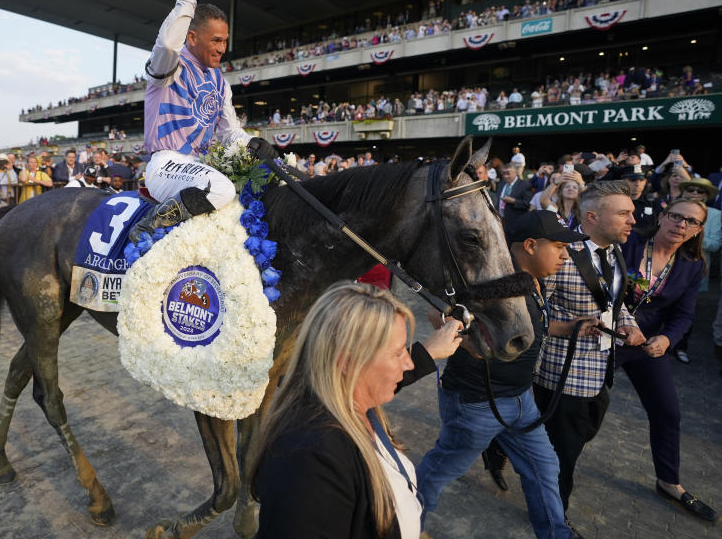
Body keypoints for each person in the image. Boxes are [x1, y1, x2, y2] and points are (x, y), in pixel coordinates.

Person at [417, 211, 589, 539]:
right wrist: (466, 340)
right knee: (440, 470)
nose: (565, 255)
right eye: (558, 246)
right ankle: (399, 523)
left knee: (544, 468)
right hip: (476, 403)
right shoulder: (485, 278)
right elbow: (436, 312)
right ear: (529, 245)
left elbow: (530, 327)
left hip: (522, 399)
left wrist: (572, 328)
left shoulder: (534, 281)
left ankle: (556, 534)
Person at [252, 281, 463, 539]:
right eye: (398, 353)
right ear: (348, 361)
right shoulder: (309, 461)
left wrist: (428, 352)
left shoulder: (350, 404)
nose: (408, 363)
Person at [133, 0, 276, 243]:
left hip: (198, 168)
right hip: (165, 165)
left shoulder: (220, 81)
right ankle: (147, 226)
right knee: (222, 189)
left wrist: (253, 143)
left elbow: (228, 132)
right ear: (193, 37)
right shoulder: (169, 64)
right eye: (216, 40)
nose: (222, 48)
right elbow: (168, 45)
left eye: (225, 40)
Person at [533, 181, 646, 535]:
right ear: (593, 217)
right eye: (624, 213)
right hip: (561, 372)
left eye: (631, 212)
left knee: (582, 436)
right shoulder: (560, 251)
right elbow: (532, 313)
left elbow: (614, 303)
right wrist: (570, 326)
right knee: (563, 456)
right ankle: (554, 520)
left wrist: (629, 325)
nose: (633, 220)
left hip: (601, 369)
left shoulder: (614, 249)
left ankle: (501, 446)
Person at [618, 199, 718, 522]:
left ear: (698, 230)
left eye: (691, 222)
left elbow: (684, 315)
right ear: (661, 217)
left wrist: (668, 339)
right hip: (606, 332)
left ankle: (668, 481)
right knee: (580, 408)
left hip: (647, 344)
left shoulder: (692, 265)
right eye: (676, 216)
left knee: (667, 411)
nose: (681, 225)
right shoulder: (629, 243)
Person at [622, 164, 661, 234]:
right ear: (624, 181)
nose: (637, 184)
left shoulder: (653, 202)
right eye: (633, 180)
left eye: (641, 180)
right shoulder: (617, 203)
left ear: (645, 181)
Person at [497, 165, 532, 233]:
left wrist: (514, 201)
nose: (505, 176)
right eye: (503, 173)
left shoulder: (525, 185)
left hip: (516, 223)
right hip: (501, 222)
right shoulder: (501, 184)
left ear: (515, 173)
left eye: (508, 173)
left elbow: (528, 204)